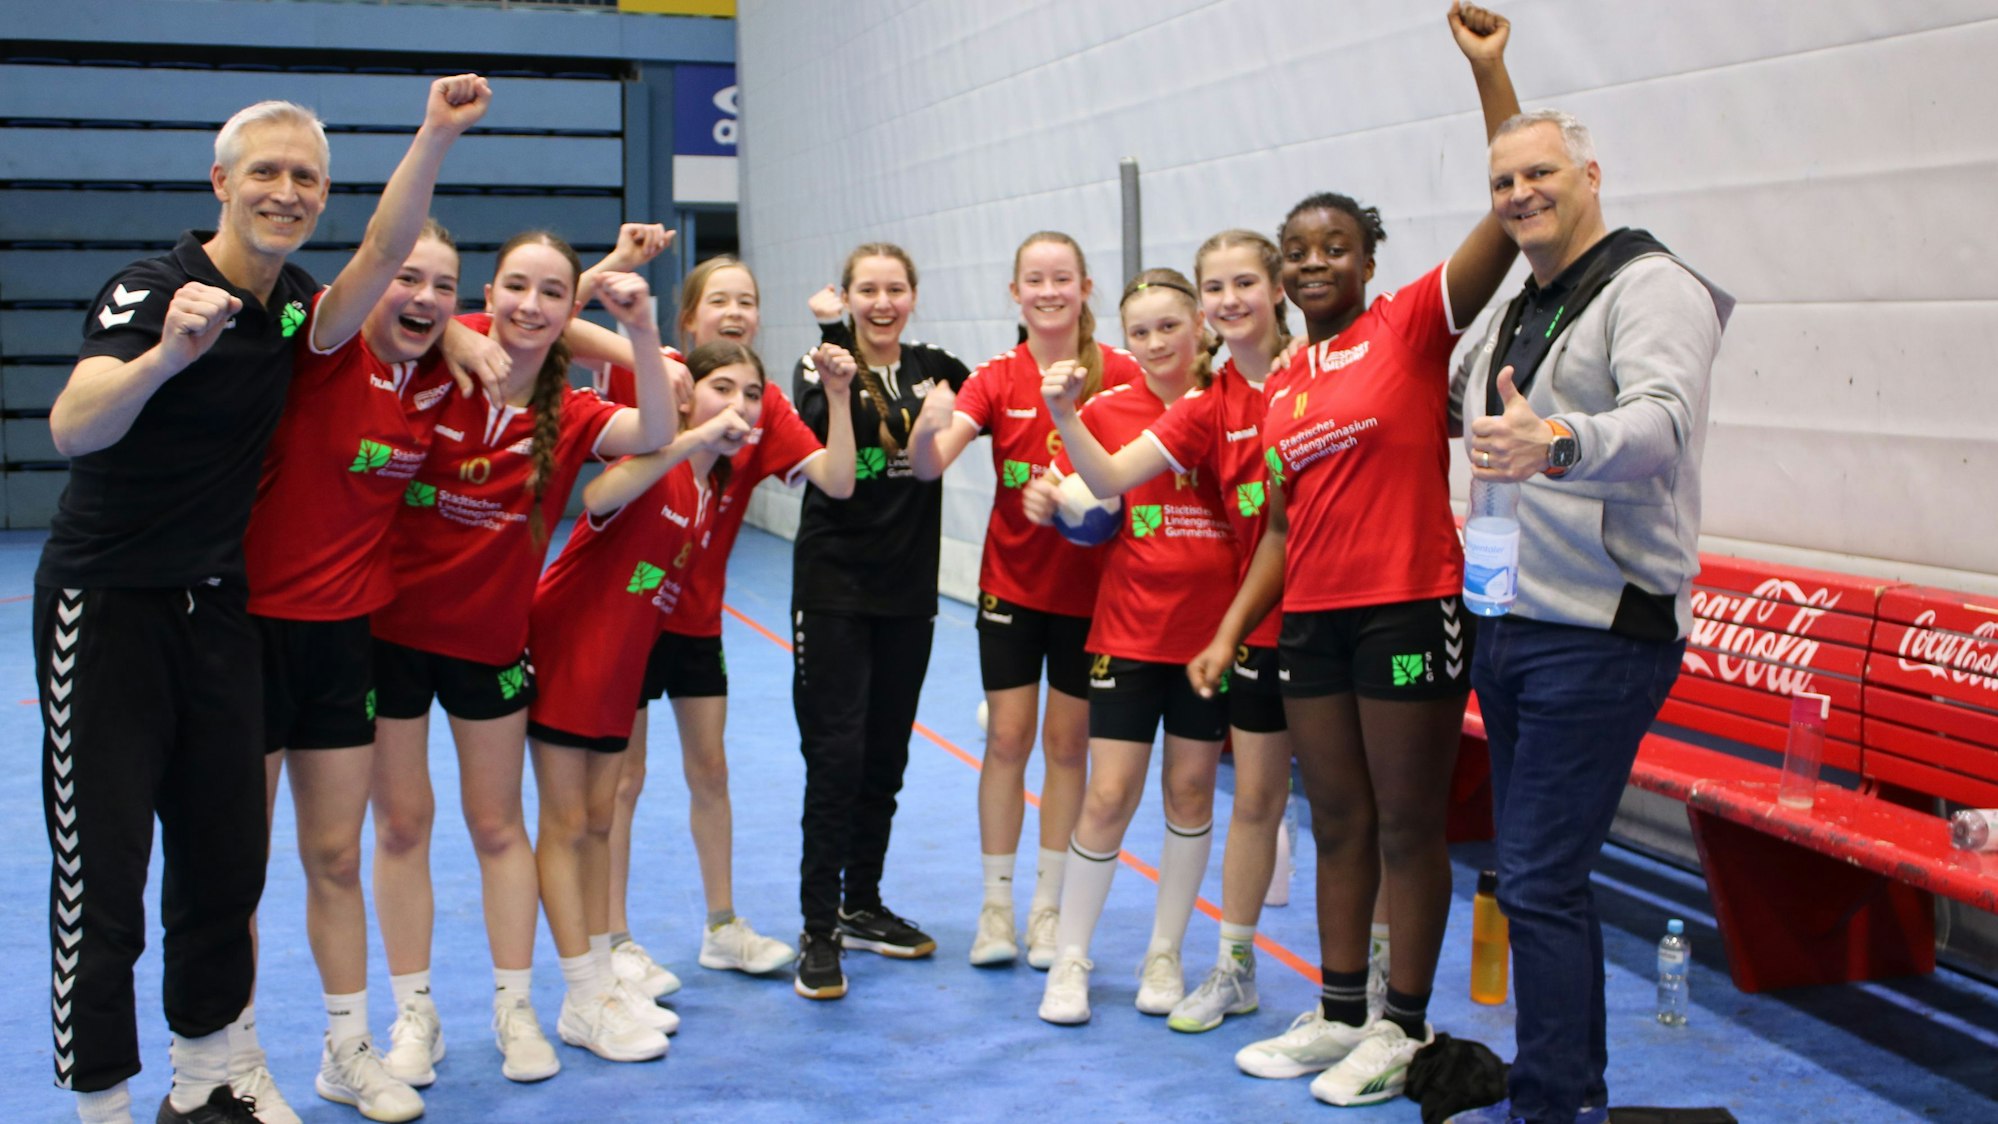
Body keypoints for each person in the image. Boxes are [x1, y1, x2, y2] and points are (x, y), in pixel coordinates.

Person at [1189, 3, 1521, 1106]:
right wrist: (1234, 628)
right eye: (1299, 252)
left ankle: (1407, 1025)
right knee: (1332, 818)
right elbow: (1281, 528)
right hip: (1314, 620)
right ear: (1281, 275)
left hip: (1408, 604)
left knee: (1411, 819)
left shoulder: (1413, 325)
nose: (1315, 261)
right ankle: (1339, 1013)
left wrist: (1490, 74)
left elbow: (1510, 206)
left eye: (1336, 246)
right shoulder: (1281, 382)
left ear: (1369, 259)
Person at [36, 97, 328, 1124]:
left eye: (305, 178)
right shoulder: (151, 288)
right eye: (266, 173)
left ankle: (205, 1082)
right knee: (103, 870)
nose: (285, 192)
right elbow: (73, 427)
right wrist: (164, 357)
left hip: (218, 610)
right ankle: (102, 1104)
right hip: (107, 601)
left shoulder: (293, 302)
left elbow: (384, 283)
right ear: (221, 183)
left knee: (224, 860)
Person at [1442, 109, 1731, 1124]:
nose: (1521, 192)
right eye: (1503, 179)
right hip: (1512, 624)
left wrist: (1553, 441)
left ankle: (1558, 1104)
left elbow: (1662, 422)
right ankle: (1558, 1090)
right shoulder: (1525, 301)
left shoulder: (1653, 286)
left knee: (1539, 878)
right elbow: (1450, 401)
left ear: (1592, 173)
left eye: (1542, 172)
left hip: (1601, 634)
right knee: (1533, 879)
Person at [233, 75, 491, 1124]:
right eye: (408, 280)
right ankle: (229, 1057)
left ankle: (347, 1046)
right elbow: (380, 247)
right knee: (232, 866)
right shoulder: (319, 343)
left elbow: (570, 336)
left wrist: (468, 332)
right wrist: (435, 133)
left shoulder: (441, 383)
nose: (421, 297)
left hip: (345, 641)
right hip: (243, 634)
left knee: (335, 852)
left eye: (444, 286)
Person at [365, 231, 674, 1084]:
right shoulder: (439, 361)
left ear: (569, 309)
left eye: (549, 293)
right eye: (512, 288)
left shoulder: (571, 415)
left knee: (499, 828)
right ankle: (414, 1016)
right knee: (401, 826)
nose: (527, 307)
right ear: (486, 295)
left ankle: (516, 1009)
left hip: (491, 645)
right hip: (389, 635)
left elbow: (657, 423)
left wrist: (641, 329)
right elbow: (384, 315)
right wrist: (458, 332)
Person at [521, 338, 838, 1064]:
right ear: (688, 397)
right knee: (568, 824)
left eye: (753, 393)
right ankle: (579, 994)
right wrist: (687, 438)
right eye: (721, 387)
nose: (740, 404)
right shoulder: (663, 465)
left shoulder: (708, 490)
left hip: (616, 671)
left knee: (597, 823)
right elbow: (598, 496)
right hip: (571, 656)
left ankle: (600, 977)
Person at [1036, 229, 1294, 1033]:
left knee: (1190, 789)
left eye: (1169, 327)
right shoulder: (1108, 411)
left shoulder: (1234, 400)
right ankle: (1072, 957)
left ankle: (1166, 952)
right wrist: (1060, 500)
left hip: (1213, 633)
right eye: (1138, 331)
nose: (1153, 344)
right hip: (1128, 627)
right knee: (1108, 793)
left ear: (1201, 328)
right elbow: (1090, 499)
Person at [573, 255, 821, 1001]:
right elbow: (556, 333)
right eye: (719, 300)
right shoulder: (651, 371)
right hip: (626, 615)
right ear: (688, 317)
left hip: (695, 617)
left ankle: (722, 927)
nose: (736, 310)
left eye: (748, 300)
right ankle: (611, 938)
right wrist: (611, 284)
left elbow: (832, 476)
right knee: (623, 780)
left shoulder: (761, 400)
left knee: (709, 769)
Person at [902, 230, 1143, 969]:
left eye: (1061, 278)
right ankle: (996, 908)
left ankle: (1048, 909)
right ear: (1015, 293)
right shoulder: (996, 377)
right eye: (1033, 280)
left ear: (1085, 289)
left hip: (1090, 594)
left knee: (1068, 747)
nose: (1047, 291)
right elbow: (926, 467)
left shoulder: (1123, 373)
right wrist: (927, 422)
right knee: (1009, 739)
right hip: (1011, 589)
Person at [790, 243, 969, 1000]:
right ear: (849, 296)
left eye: (896, 288)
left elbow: (1007, 388)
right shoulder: (817, 364)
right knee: (836, 757)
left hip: (907, 592)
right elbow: (819, 456)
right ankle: (818, 926)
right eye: (869, 289)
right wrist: (837, 369)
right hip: (834, 587)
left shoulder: (938, 366)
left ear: (914, 295)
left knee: (884, 758)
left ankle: (862, 901)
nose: (883, 302)